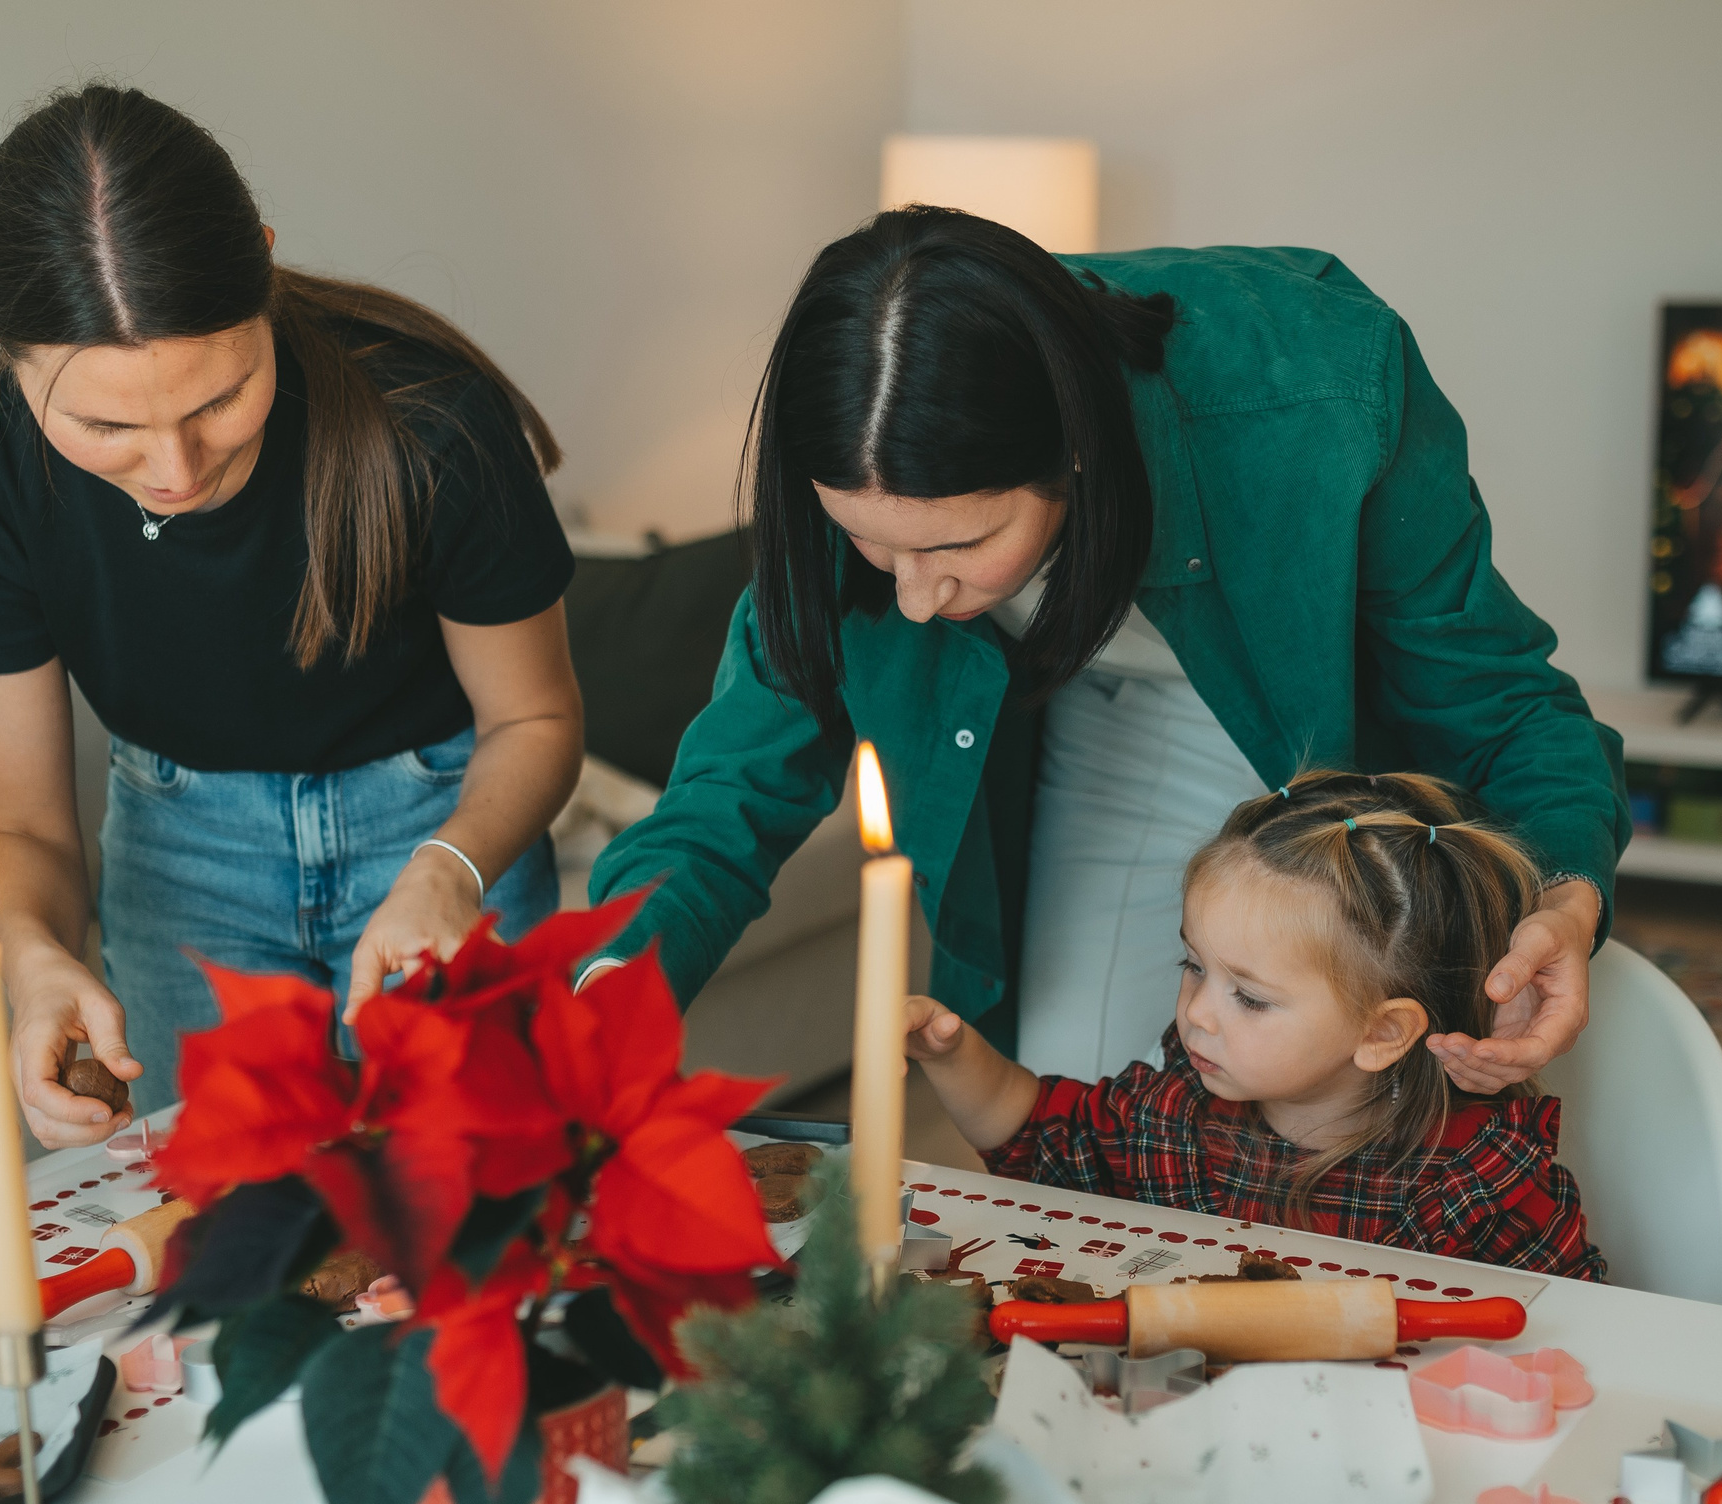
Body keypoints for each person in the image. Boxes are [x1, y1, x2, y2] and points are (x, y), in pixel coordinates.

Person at [586, 211, 1628, 1088]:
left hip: (1308, 719)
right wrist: (603, 990)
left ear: (1073, 452)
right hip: (1080, 712)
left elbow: (1503, 705)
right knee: (1084, 1104)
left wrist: (1565, 892)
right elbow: (728, 792)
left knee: (1329, 1090)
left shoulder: (1318, 394)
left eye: (957, 543)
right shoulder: (858, 451)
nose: (911, 597)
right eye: (870, 543)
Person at [0, 85, 583, 1141]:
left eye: (218, 399)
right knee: (235, 1232)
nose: (173, 469)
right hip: (181, 854)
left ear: (262, 267)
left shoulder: (428, 420)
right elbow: (20, 826)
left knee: (486, 1220)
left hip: (443, 822)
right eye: (103, 423)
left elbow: (536, 722)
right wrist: (33, 957)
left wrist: (450, 871)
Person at [902, 772, 1603, 1279]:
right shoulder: (1179, 1108)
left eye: (1252, 998)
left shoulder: (1470, 1183)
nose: (1197, 1012)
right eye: (1194, 964)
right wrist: (952, 1051)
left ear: (1383, 1033)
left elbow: (1569, 1332)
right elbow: (1041, 1137)